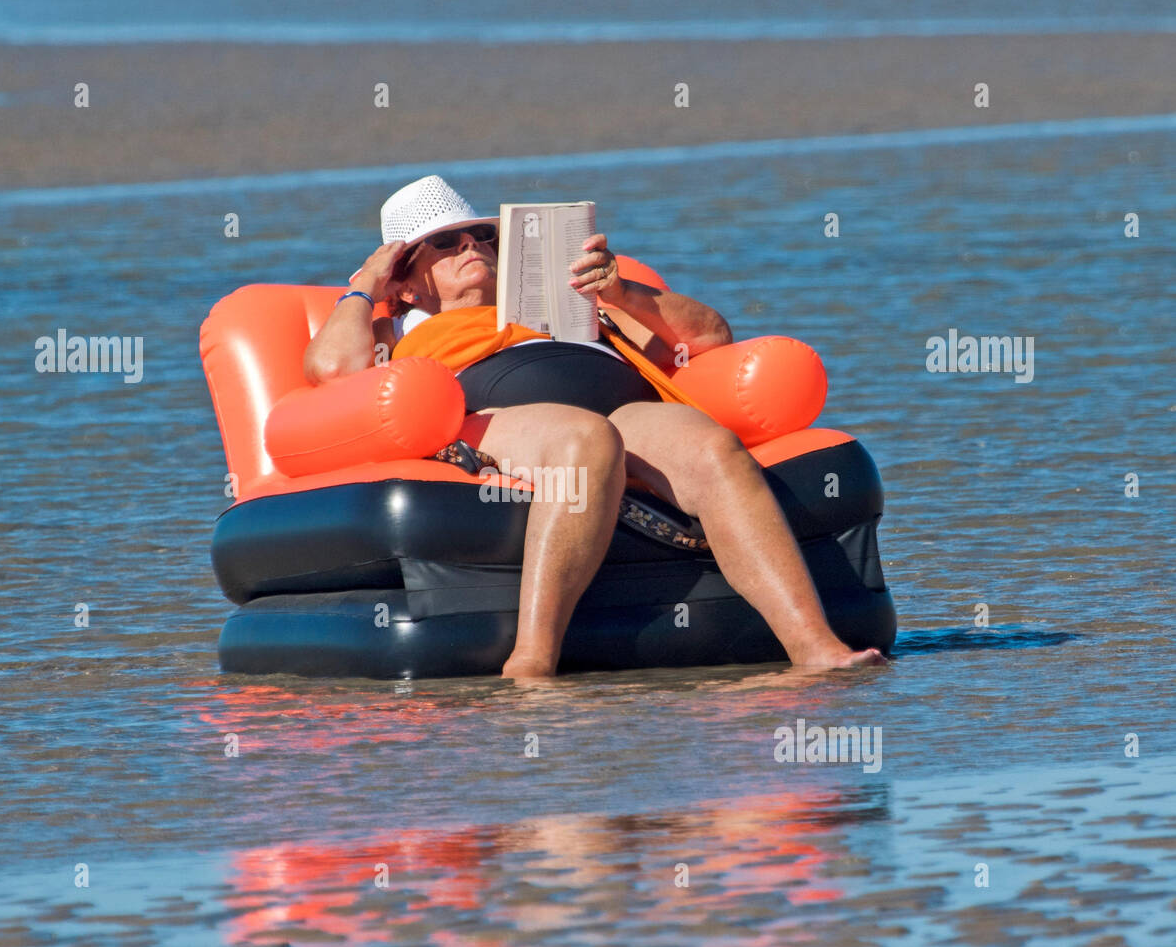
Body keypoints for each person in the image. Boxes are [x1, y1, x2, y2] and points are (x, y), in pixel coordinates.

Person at [305, 175, 886, 680]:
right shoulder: (399, 325)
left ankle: (815, 648)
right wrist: (366, 286)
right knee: (586, 441)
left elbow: (709, 336)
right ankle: (532, 661)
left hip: (624, 411)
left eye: (484, 236)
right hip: (496, 420)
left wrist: (620, 291)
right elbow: (332, 370)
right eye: (443, 243)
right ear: (405, 277)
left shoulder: (575, 300)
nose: (472, 247)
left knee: (711, 447)